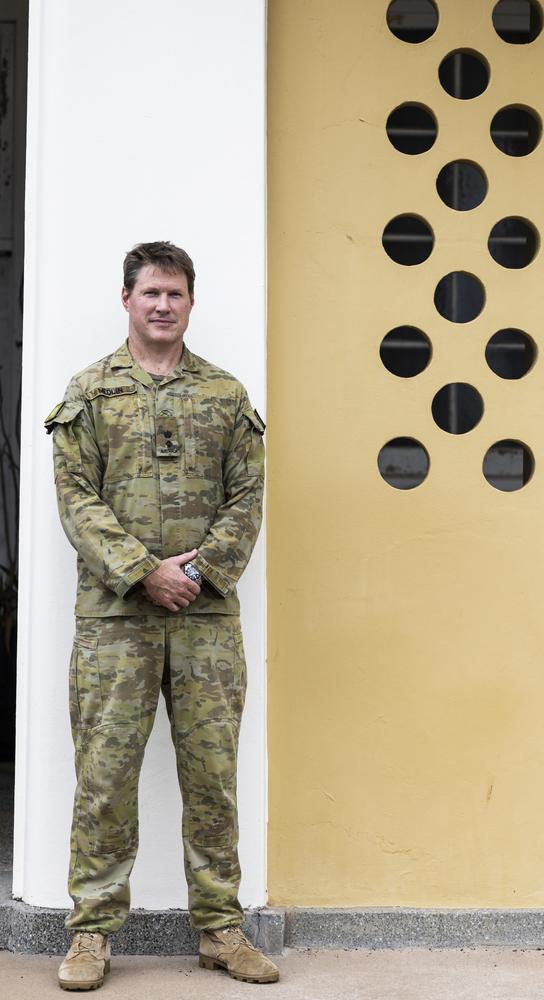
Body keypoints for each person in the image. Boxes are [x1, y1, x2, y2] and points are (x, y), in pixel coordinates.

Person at [45, 241, 278, 990]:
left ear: (190, 301)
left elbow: (247, 498)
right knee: (104, 777)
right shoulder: (91, 393)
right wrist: (144, 572)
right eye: (150, 293)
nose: (162, 305)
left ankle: (219, 929)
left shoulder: (224, 396)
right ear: (127, 300)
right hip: (116, 620)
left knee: (211, 777)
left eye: (175, 293)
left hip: (206, 620)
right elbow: (76, 499)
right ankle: (90, 934)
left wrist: (197, 571)